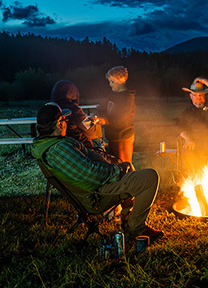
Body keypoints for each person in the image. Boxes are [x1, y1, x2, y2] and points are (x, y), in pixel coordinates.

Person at [32, 102, 163, 243]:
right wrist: (116, 170)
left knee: (128, 166)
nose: (66, 122)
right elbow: (91, 174)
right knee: (150, 177)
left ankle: (127, 217)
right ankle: (136, 228)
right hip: (97, 195)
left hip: (95, 188)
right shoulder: (59, 151)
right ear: (59, 124)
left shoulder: (48, 145)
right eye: (64, 120)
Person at [96, 66, 136, 165]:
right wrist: (98, 113)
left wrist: (105, 121)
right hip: (113, 136)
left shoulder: (127, 99)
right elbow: (107, 109)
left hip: (122, 137)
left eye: (112, 82)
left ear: (121, 80)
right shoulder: (113, 94)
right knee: (114, 164)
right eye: (109, 81)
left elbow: (122, 119)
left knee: (124, 165)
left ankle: (133, 180)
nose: (110, 84)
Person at [50, 80, 102, 150]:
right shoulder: (75, 111)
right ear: (74, 95)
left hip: (56, 149)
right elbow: (90, 132)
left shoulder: (50, 109)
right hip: (79, 148)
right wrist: (92, 122)